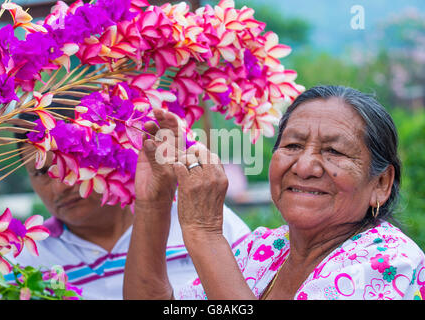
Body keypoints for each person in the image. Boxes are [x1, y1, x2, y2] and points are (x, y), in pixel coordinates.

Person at [123, 85, 425, 300]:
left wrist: (204, 233)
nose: (305, 166)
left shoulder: (390, 265)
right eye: (292, 146)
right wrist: (154, 202)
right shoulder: (261, 251)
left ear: (381, 184)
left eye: (334, 151)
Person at [5, 107, 251, 300]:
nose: (60, 185)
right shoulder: (21, 262)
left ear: (109, 151)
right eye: (41, 173)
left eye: (73, 165)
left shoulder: (203, 222)